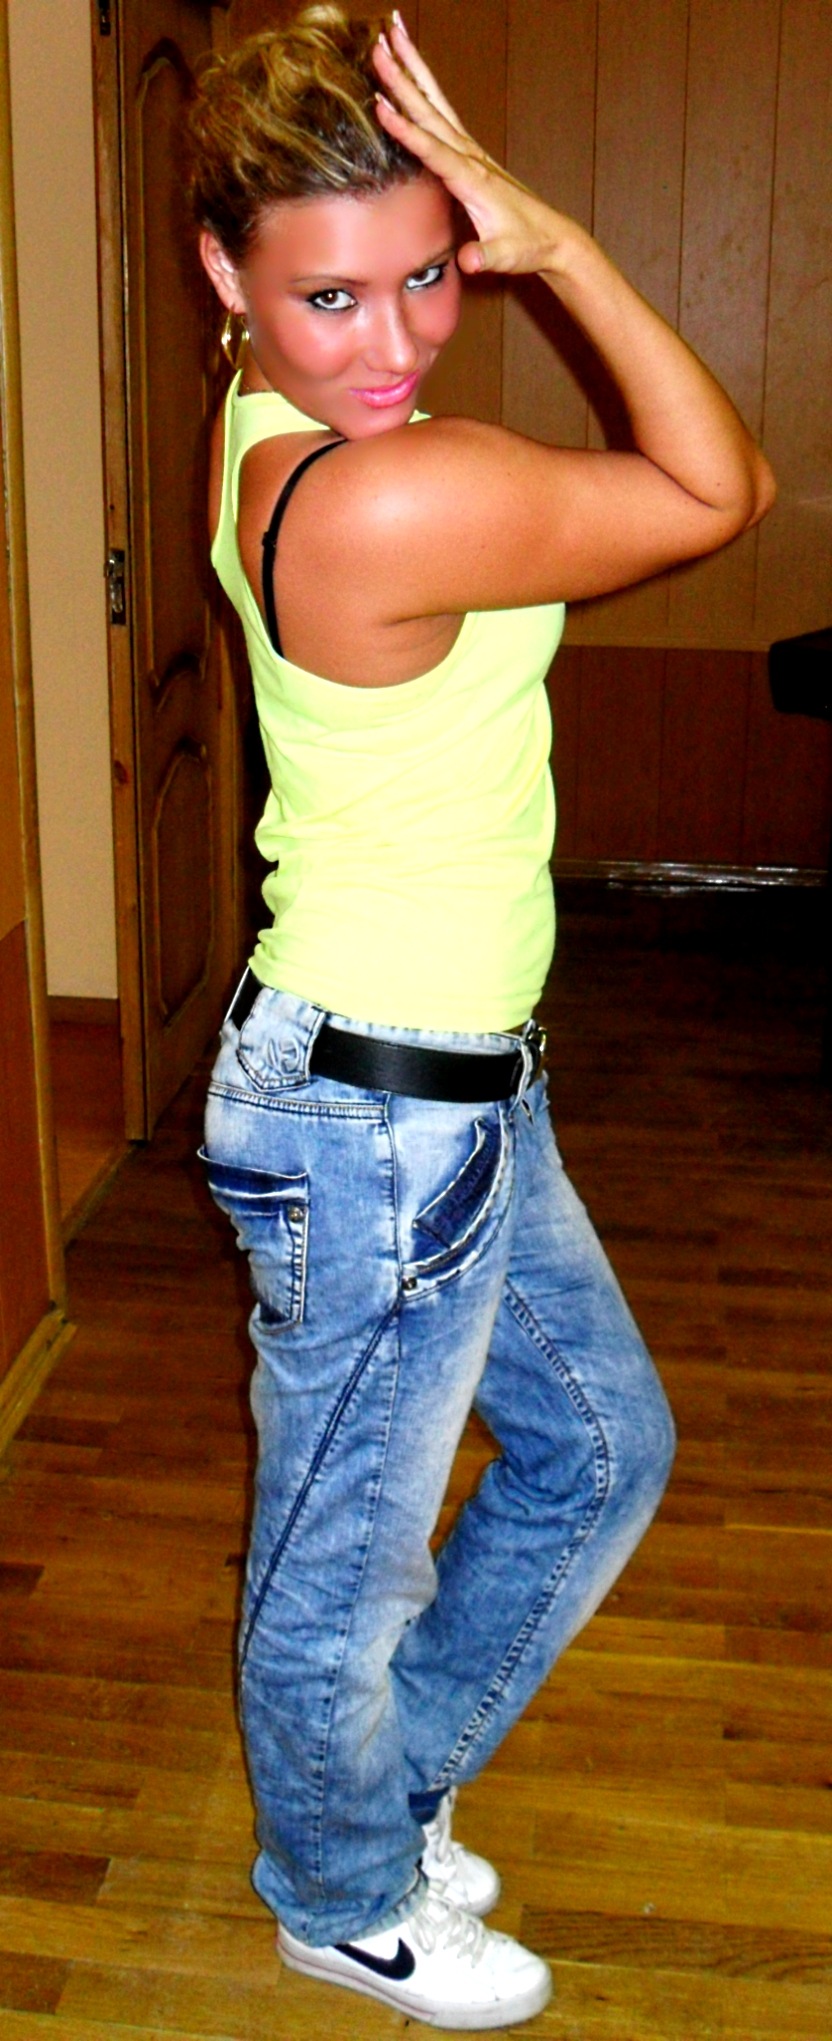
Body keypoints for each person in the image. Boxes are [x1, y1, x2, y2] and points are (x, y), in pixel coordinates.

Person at [189, 7, 774, 2028]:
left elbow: (660, 481)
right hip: (378, 1123)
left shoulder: (267, 425)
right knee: (341, 1561)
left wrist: (472, 240)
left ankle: (377, 1795)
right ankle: (335, 1891)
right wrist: (560, 245)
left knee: (600, 1449)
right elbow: (721, 486)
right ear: (226, 278)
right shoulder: (390, 495)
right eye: (330, 295)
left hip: (435, 1091)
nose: (393, 340)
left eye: (430, 270)